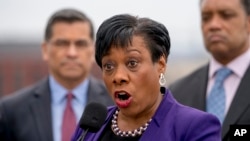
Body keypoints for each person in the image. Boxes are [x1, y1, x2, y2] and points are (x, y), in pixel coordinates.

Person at [72, 14, 221, 141]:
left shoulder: (194, 126)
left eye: (132, 63)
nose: (118, 77)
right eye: (109, 66)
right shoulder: (89, 127)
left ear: (160, 64)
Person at [0, 8, 113, 141]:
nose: (72, 53)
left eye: (80, 44)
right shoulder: (11, 110)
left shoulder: (116, 104)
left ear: (93, 51)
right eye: (62, 43)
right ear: (45, 50)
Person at [169, 0, 250, 140]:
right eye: (206, 17)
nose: (214, 25)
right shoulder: (177, 93)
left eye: (226, 15)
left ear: (248, 22)